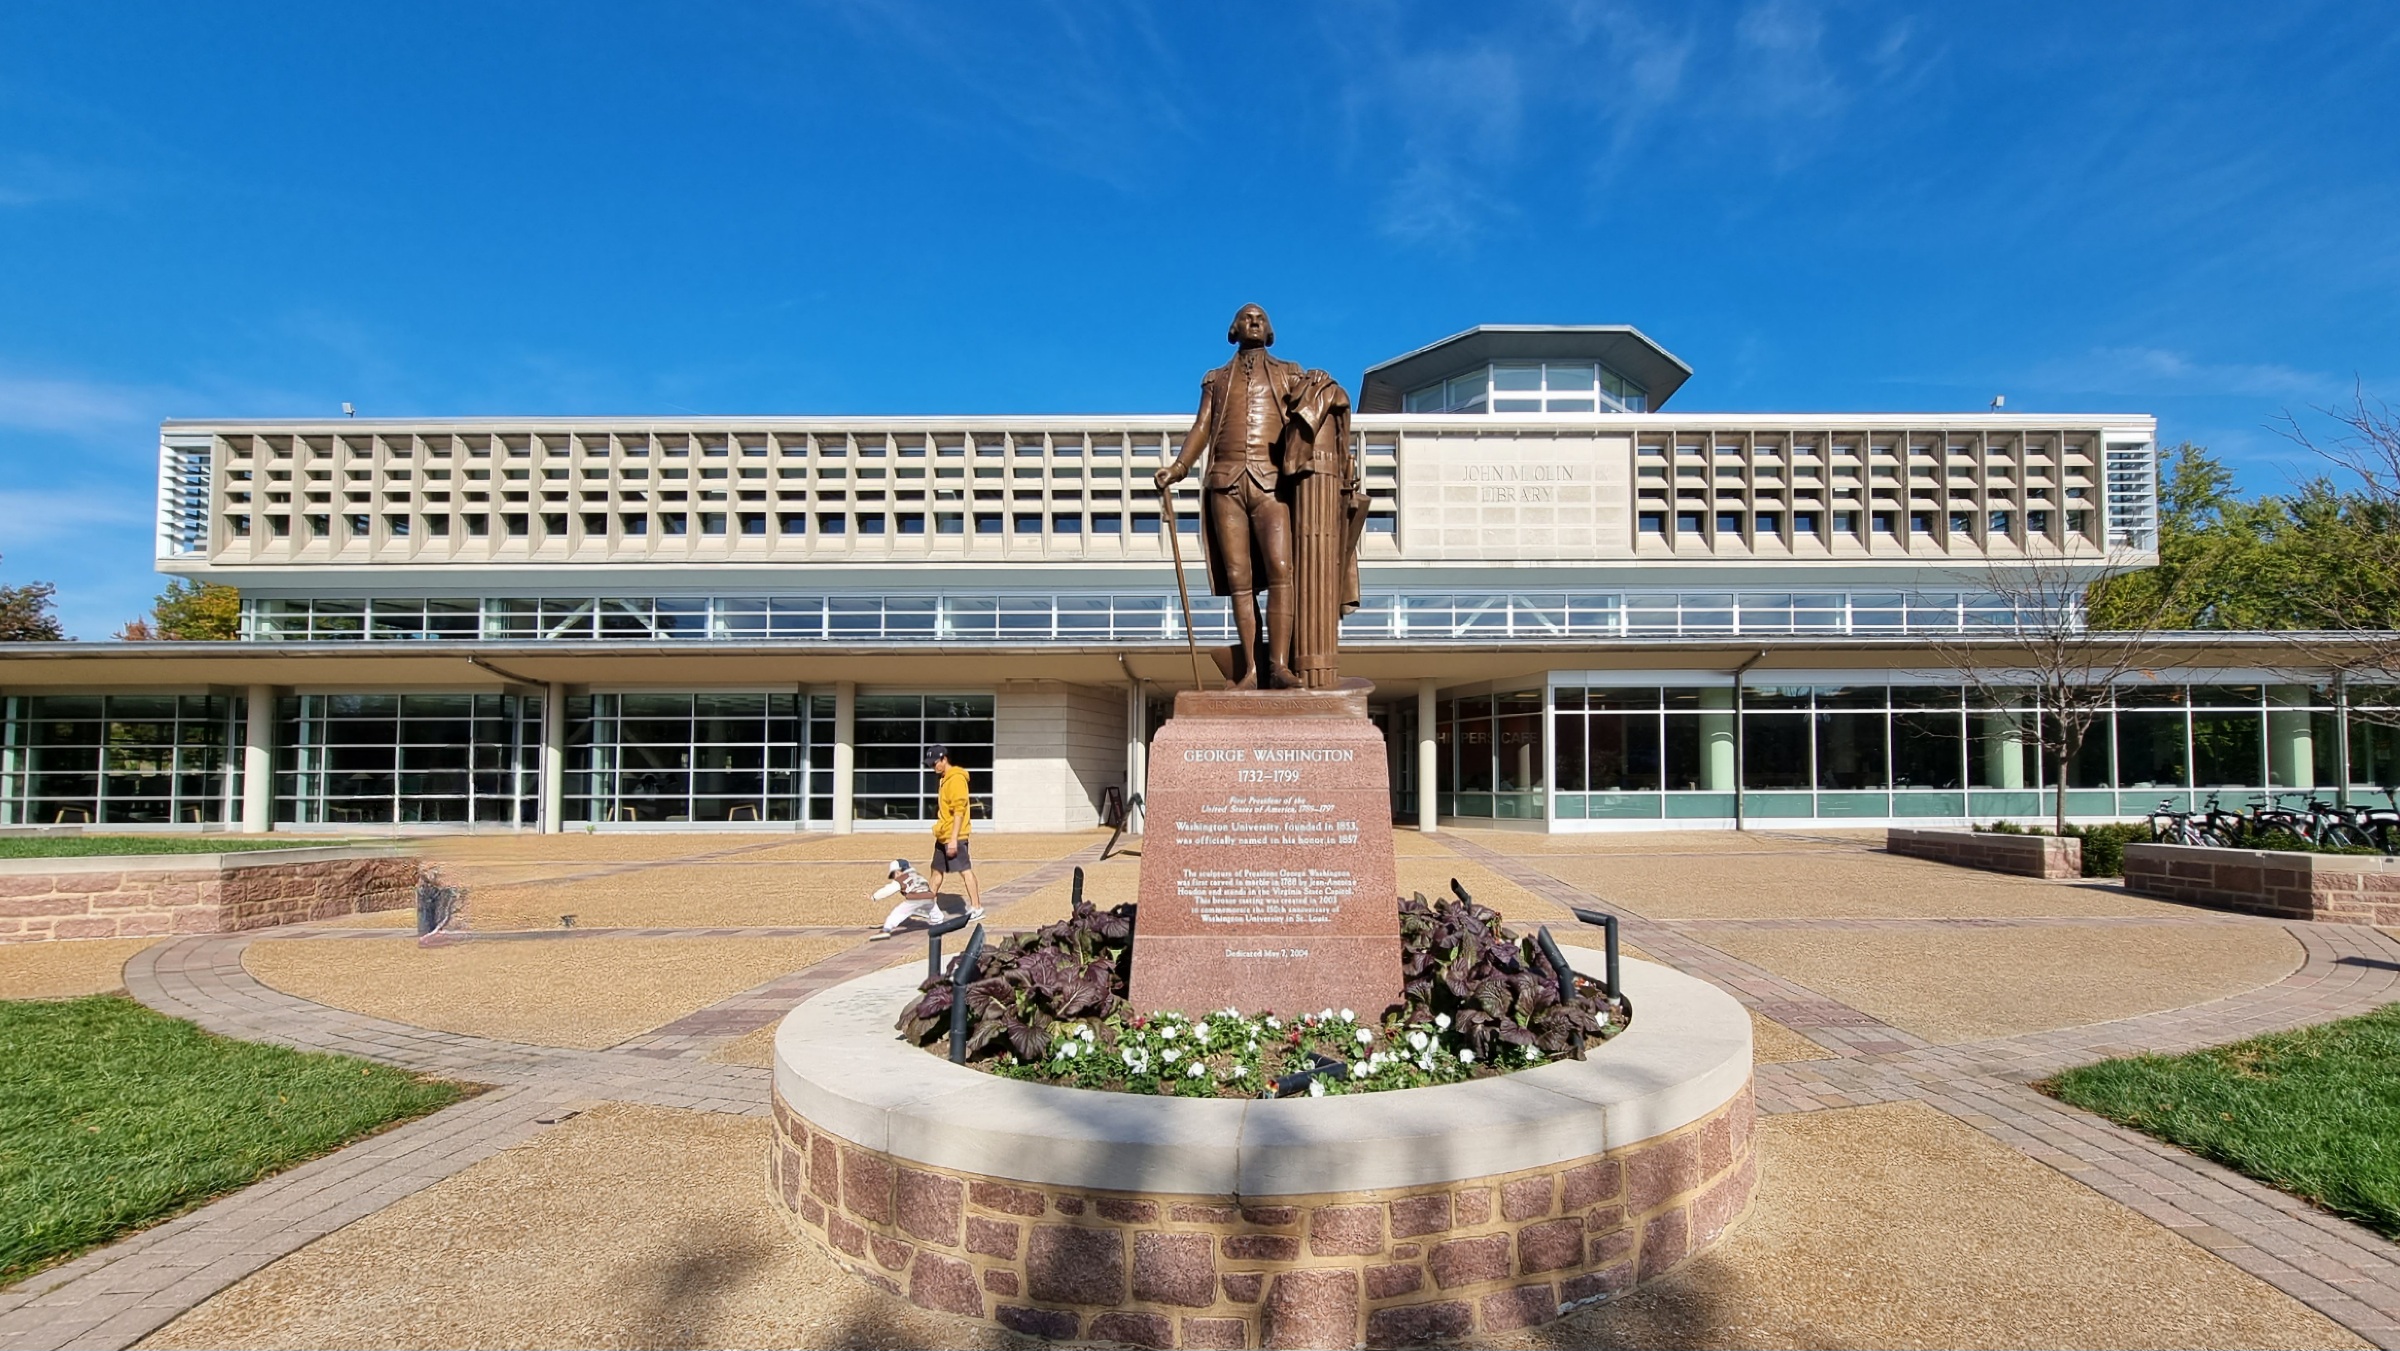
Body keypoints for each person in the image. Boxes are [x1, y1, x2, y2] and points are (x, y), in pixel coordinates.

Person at [927, 744, 981, 914]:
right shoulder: (944, 779)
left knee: (965, 871)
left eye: (935, 763)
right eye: (930, 764)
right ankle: (926, 905)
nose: (933, 767)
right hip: (943, 833)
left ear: (944, 759)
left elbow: (959, 811)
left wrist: (953, 839)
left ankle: (976, 907)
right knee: (936, 871)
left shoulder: (956, 779)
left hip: (954, 835)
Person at [868, 857, 976, 940]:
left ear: (898, 871)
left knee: (899, 912)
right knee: (935, 912)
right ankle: (939, 925)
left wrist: (874, 897)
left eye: (893, 874)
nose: (894, 877)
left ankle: (886, 929)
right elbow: (925, 884)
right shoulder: (917, 875)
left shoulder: (900, 879)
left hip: (915, 898)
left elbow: (888, 890)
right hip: (929, 896)